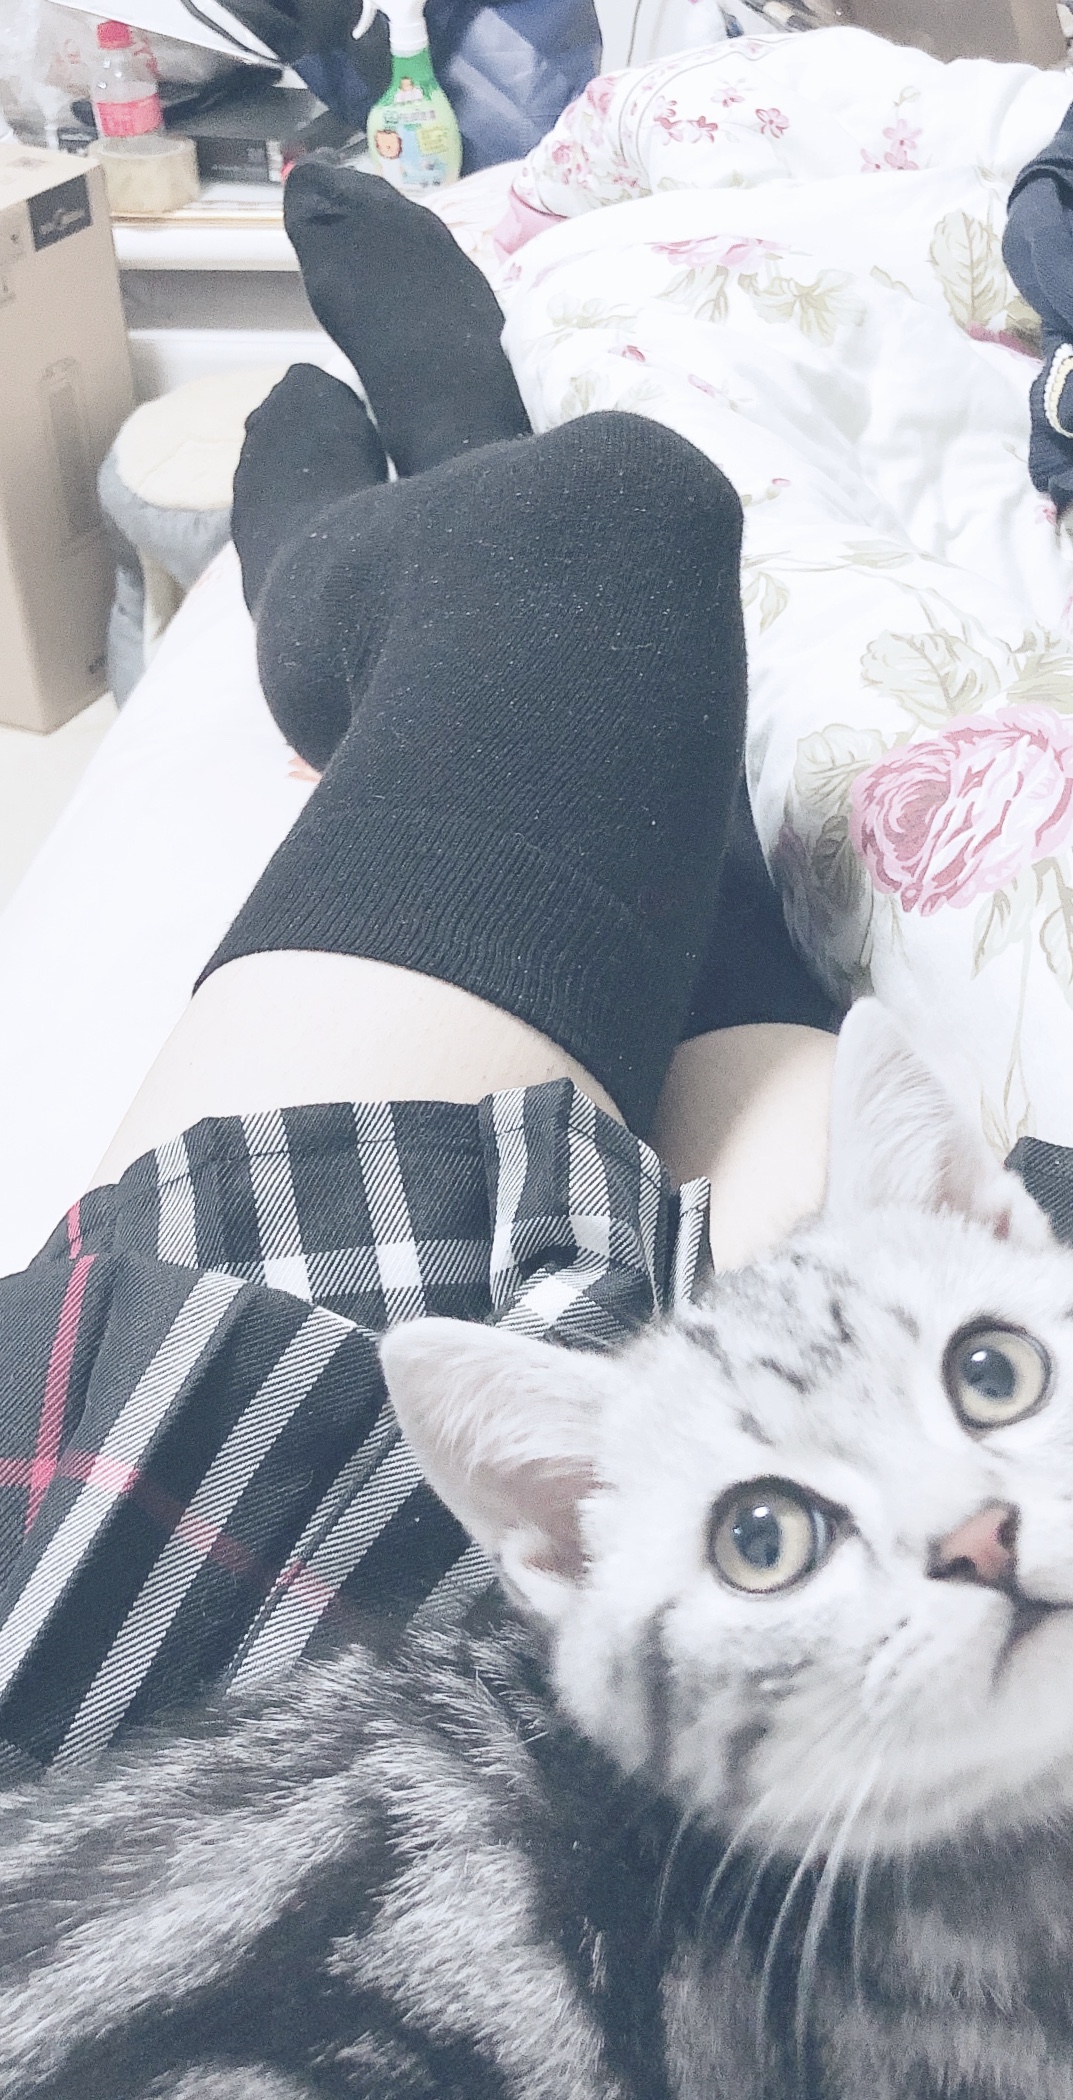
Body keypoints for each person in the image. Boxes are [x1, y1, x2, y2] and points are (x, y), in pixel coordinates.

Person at [0, 164, 837, 1777]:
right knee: (744, 978)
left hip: (212, 1678)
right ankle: (455, 464)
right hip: (806, 1598)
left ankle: (361, 544)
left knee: (607, 525)